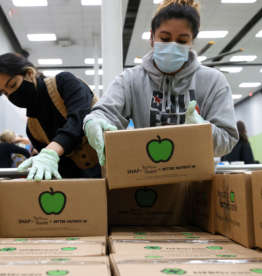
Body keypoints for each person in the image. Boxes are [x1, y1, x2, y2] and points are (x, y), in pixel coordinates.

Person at [83, 0, 238, 166]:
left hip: (198, 180)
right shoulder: (130, 80)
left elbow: (228, 139)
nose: (172, 46)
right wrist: (94, 122)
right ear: (151, 38)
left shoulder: (213, 81)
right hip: (148, 179)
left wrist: (203, 132)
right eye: (164, 38)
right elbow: (105, 113)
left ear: (192, 42)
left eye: (182, 41)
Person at [0, 53, 101, 180]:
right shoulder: (32, 129)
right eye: (5, 93)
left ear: (29, 73)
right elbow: (62, 169)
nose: (11, 94)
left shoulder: (64, 83)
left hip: (110, 165)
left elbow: (80, 118)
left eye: (13, 85)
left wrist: (52, 150)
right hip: (82, 183)